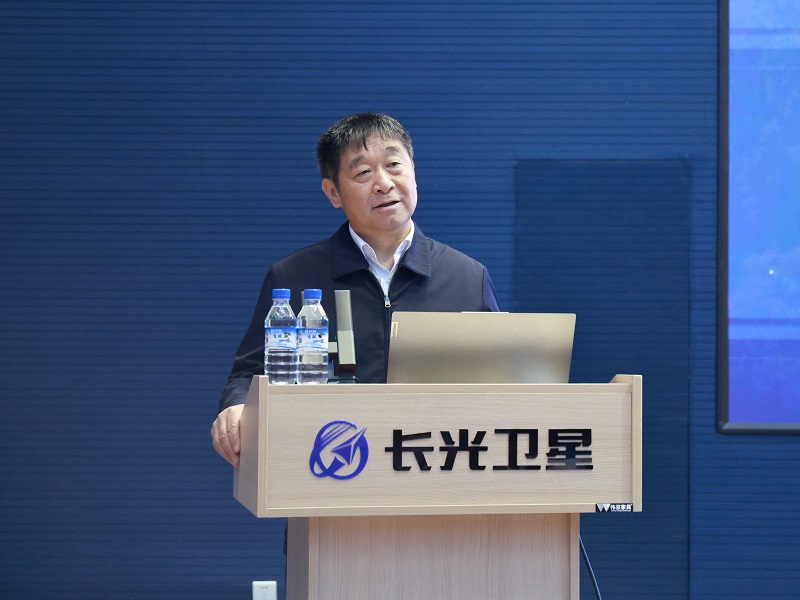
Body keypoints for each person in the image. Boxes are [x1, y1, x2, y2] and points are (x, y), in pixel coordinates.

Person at [211, 112, 500, 466]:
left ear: (414, 172)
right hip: (329, 467)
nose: (384, 184)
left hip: (436, 467)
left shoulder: (468, 277)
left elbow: (500, 382)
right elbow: (249, 374)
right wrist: (237, 406)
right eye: (363, 173)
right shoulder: (294, 277)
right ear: (333, 192)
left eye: (394, 165)